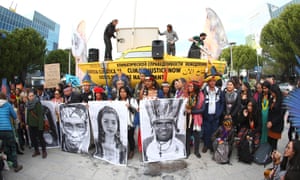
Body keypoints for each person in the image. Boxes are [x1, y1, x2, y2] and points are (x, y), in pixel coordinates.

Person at [0, 92, 23, 172]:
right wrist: (17, 125)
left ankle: (8, 162)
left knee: (4, 146)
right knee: (12, 147)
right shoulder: (8, 105)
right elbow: (15, 116)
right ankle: (16, 166)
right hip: (7, 129)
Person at [202, 72, 224, 153]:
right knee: (206, 131)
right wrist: (204, 113)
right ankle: (206, 145)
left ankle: (212, 146)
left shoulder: (219, 91)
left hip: (216, 115)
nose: (212, 82)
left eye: (214, 81)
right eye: (211, 81)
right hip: (207, 115)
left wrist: (218, 113)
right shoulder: (204, 91)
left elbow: (222, 103)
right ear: (208, 82)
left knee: (214, 131)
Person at [185, 80, 205, 158]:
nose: (189, 88)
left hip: (196, 118)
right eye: (188, 86)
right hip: (188, 118)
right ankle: (187, 151)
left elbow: (203, 109)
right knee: (188, 134)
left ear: (195, 87)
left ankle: (196, 151)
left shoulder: (201, 95)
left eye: (191, 86)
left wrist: (192, 111)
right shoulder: (187, 95)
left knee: (197, 135)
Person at [117, 86, 138, 159]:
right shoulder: (117, 100)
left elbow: (136, 110)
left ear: (127, 92)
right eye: (121, 92)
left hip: (130, 123)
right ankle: (122, 150)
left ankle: (132, 150)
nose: (122, 93)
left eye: (124, 92)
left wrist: (129, 106)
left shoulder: (132, 100)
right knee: (121, 137)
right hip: (120, 123)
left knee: (130, 137)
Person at [26, 91, 48, 158]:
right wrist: (27, 123)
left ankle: (44, 151)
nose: (31, 97)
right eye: (30, 96)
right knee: (33, 139)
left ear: (34, 96)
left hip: (38, 125)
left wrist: (41, 126)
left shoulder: (37, 103)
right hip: (31, 125)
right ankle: (37, 151)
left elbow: (40, 116)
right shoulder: (28, 104)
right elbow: (28, 115)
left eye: (32, 95)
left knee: (41, 138)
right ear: (28, 97)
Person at [267, 84, 284, 151]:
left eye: (272, 92)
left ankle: (273, 155)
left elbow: (280, 115)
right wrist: (268, 121)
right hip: (270, 123)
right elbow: (269, 111)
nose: (271, 94)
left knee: (274, 142)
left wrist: (272, 122)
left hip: (277, 124)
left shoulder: (281, 101)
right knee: (269, 141)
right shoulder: (271, 99)